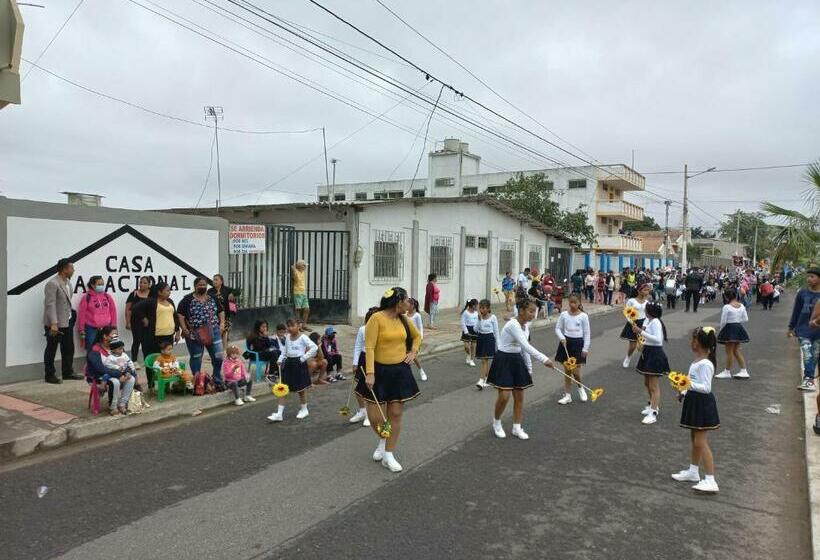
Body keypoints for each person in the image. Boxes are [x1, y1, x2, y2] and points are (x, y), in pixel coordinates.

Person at [355, 287, 421, 473]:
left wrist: (413, 351)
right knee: (375, 417)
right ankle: (384, 440)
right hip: (378, 371)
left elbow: (417, 337)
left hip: (400, 371)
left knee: (396, 414)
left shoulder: (405, 320)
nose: (409, 303)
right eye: (406, 300)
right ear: (397, 302)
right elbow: (370, 348)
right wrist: (370, 373)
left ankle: (389, 454)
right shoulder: (376, 319)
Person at [487, 298, 554, 440]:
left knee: (519, 397)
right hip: (504, 359)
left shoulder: (526, 326)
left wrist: (529, 368)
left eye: (534, 312)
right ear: (522, 311)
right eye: (530, 311)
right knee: (504, 397)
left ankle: (517, 427)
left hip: (517, 360)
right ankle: (496, 422)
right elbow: (526, 345)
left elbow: (523, 350)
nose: (532, 315)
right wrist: (544, 359)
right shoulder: (513, 325)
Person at [671, 326, 721, 493]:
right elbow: (694, 382)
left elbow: (706, 387)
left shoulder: (705, 363)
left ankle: (710, 479)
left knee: (701, 441)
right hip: (694, 400)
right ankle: (693, 472)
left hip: (702, 404)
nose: (690, 342)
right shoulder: (698, 360)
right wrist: (684, 391)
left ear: (699, 343)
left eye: (693, 339)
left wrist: (687, 383)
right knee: (694, 439)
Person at [132, 282, 181, 392]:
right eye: (167, 290)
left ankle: (166, 385)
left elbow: (175, 317)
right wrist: (144, 318)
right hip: (152, 337)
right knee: (151, 361)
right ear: (159, 292)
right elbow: (135, 308)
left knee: (166, 361)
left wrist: (177, 331)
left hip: (168, 337)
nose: (170, 292)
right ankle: (151, 385)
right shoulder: (151, 302)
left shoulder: (170, 302)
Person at [177, 277, 225, 388]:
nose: (202, 287)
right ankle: (198, 382)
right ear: (195, 286)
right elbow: (180, 314)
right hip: (195, 334)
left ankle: (217, 379)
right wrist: (184, 329)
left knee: (218, 356)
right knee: (196, 357)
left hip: (214, 331)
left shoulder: (213, 298)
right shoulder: (187, 299)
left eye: (204, 285)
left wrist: (221, 324)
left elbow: (221, 311)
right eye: (200, 285)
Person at [269, 318, 318, 421]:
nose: (290, 328)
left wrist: (303, 358)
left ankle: (304, 409)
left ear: (298, 326)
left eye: (292, 326)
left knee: (300, 389)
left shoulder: (303, 337)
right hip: (289, 363)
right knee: (283, 388)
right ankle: (279, 414)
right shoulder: (287, 337)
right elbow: (285, 351)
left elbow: (314, 347)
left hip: (299, 363)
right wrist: (280, 359)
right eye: (288, 326)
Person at [43, 258, 81, 384]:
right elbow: (50, 304)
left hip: (67, 321)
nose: (73, 270)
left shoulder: (68, 283)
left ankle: (67, 372)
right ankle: (49, 375)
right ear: (64, 269)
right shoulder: (52, 283)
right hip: (55, 323)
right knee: (51, 348)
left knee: (68, 348)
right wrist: (53, 323)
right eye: (71, 268)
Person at [634, 302, 670, 425]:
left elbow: (657, 339)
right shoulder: (649, 321)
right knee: (647, 382)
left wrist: (640, 332)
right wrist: (641, 339)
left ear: (650, 311)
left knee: (654, 386)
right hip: (648, 352)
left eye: (646, 309)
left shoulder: (655, 322)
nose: (644, 311)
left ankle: (653, 412)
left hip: (655, 354)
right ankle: (652, 405)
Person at [86, 328, 134, 416]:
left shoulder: (117, 346)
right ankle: (113, 407)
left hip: (118, 373)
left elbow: (125, 361)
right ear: (105, 336)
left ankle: (122, 404)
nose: (116, 336)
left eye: (117, 334)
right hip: (100, 375)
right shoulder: (95, 350)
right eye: (113, 334)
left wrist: (127, 371)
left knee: (131, 379)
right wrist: (118, 374)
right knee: (114, 382)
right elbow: (100, 368)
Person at [555, 294, 591, 405]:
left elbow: (587, 333)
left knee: (575, 371)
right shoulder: (564, 314)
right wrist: (562, 337)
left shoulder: (583, 316)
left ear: (579, 303)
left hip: (578, 344)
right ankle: (567, 395)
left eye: (575, 302)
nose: (572, 304)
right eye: (570, 302)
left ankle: (581, 389)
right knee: (567, 372)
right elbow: (557, 328)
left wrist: (585, 348)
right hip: (566, 344)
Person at [789, 267, 820, 392]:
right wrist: (791, 327)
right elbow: (796, 311)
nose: (809, 279)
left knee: (814, 356)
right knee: (807, 354)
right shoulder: (802, 293)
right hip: (803, 330)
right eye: (808, 276)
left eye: (812, 276)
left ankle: (810, 380)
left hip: (818, 332)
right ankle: (809, 379)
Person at [349, 307, 379, 427]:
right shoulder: (362, 329)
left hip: (375, 360)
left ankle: (369, 416)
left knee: (369, 388)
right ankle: (362, 411)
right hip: (363, 358)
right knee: (358, 388)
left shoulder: (381, 330)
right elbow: (358, 346)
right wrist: (355, 362)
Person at [715, 288, 750, 380]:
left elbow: (723, 321)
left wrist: (722, 330)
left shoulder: (727, 307)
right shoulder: (742, 306)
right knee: (736, 351)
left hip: (729, 328)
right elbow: (745, 319)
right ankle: (744, 370)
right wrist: (737, 321)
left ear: (726, 297)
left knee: (729, 352)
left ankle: (727, 371)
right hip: (738, 327)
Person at [77, 275, 117, 353]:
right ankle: (92, 364)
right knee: (91, 348)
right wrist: (81, 329)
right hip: (91, 328)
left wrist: (114, 325)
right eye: (99, 284)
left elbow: (113, 310)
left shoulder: (107, 296)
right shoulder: (86, 297)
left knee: (107, 348)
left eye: (102, 284)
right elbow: (82, 314)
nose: (101, 286)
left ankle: (106, 364)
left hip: (107, 328)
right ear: (92, 285)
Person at [124, 276, 152, 368]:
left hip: (149, 322)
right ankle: (134, 361)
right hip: (136, 321)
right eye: (140, 282)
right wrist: (128, 322)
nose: (142, 284)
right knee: (137, 340)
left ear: (149, 284)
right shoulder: (134, 294)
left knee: (147, 341)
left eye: (144, 283)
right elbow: (128, 309)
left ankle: (147, 360)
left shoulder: (152, 294)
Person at [621, 283, 651, 368]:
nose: (647, 292)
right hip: (633, 323)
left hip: (644, 324)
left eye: (648, 290)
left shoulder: (647, 302)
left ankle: (644, 362)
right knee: (633, 345)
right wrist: (632, 322)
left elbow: (648, 315)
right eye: (645, 290)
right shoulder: (631, 301)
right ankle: (628, 357)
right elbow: (627, 313)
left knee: (643, 345)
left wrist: (645, 326)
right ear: (639, 291)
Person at [474, 298, 500, 390]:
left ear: (488, 308)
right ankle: (488, 379)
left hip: (489, 339)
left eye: (483, 308)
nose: (481, 310)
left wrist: (498, 345)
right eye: (480, 308)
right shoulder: (479, 318)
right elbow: (475, 329)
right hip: (481, 339)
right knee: (484, 361)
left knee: (485, 360)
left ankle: (481, 380)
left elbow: (496, 331)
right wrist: (479, 320)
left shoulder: (493, 317)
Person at [208, 274, 236, 348]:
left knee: (225, 333)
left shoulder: (227, 290)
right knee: (216, 334)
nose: (214, 281)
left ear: (221, 281)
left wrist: (232, 294)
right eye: (214, 280)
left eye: (216, 279)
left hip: (225, 315)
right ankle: (216, 351)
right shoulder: (210, 291)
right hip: (214, 317)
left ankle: (225, 351)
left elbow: (237, 292)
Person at [405, 298, 427, 381]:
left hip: (414, 339)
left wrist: (420, 338)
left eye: (408, 304)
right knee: (406, 357)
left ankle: (421, 371)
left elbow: (420, 327)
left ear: (412, 305)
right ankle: (406, 375)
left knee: (413, 356)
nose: (406, 306)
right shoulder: (405, 314)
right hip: (406, 338)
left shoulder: (417, 315)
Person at [291, 260, 311, 330]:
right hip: (297, 292)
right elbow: (295, 279)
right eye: (304, 265)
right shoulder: (296, 272)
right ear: (300, 266)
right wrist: (294, 270)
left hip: (303, 292)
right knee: (298, 309)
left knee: (307, 309)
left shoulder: (302, 272)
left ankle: (304, 325)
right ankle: (298, 326)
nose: (305, 267)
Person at [460, 298, 479, 367]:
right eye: (477, 305)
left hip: (474, 330)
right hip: (467, 330)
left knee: (473, 346)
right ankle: (469, 354)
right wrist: (466, 331)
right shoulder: (465, 313)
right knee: (466, 347)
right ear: (473, 306)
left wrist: (478, 329)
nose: (478, 306)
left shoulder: (476, 313)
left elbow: (478, 322)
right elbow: (463, 322)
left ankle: (471, 359)